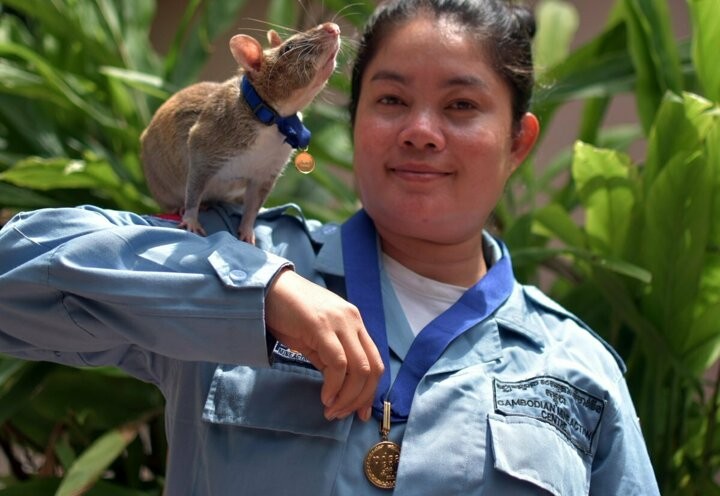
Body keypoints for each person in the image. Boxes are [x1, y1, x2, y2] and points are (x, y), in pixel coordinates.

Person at [0, 0, 660, 494]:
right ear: (355, 120)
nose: (421, 132)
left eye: (461, 107)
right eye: (392, 99)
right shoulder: (235, 252)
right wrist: (255, 293)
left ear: (518, 141)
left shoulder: (580, 370)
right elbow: (14, 277)